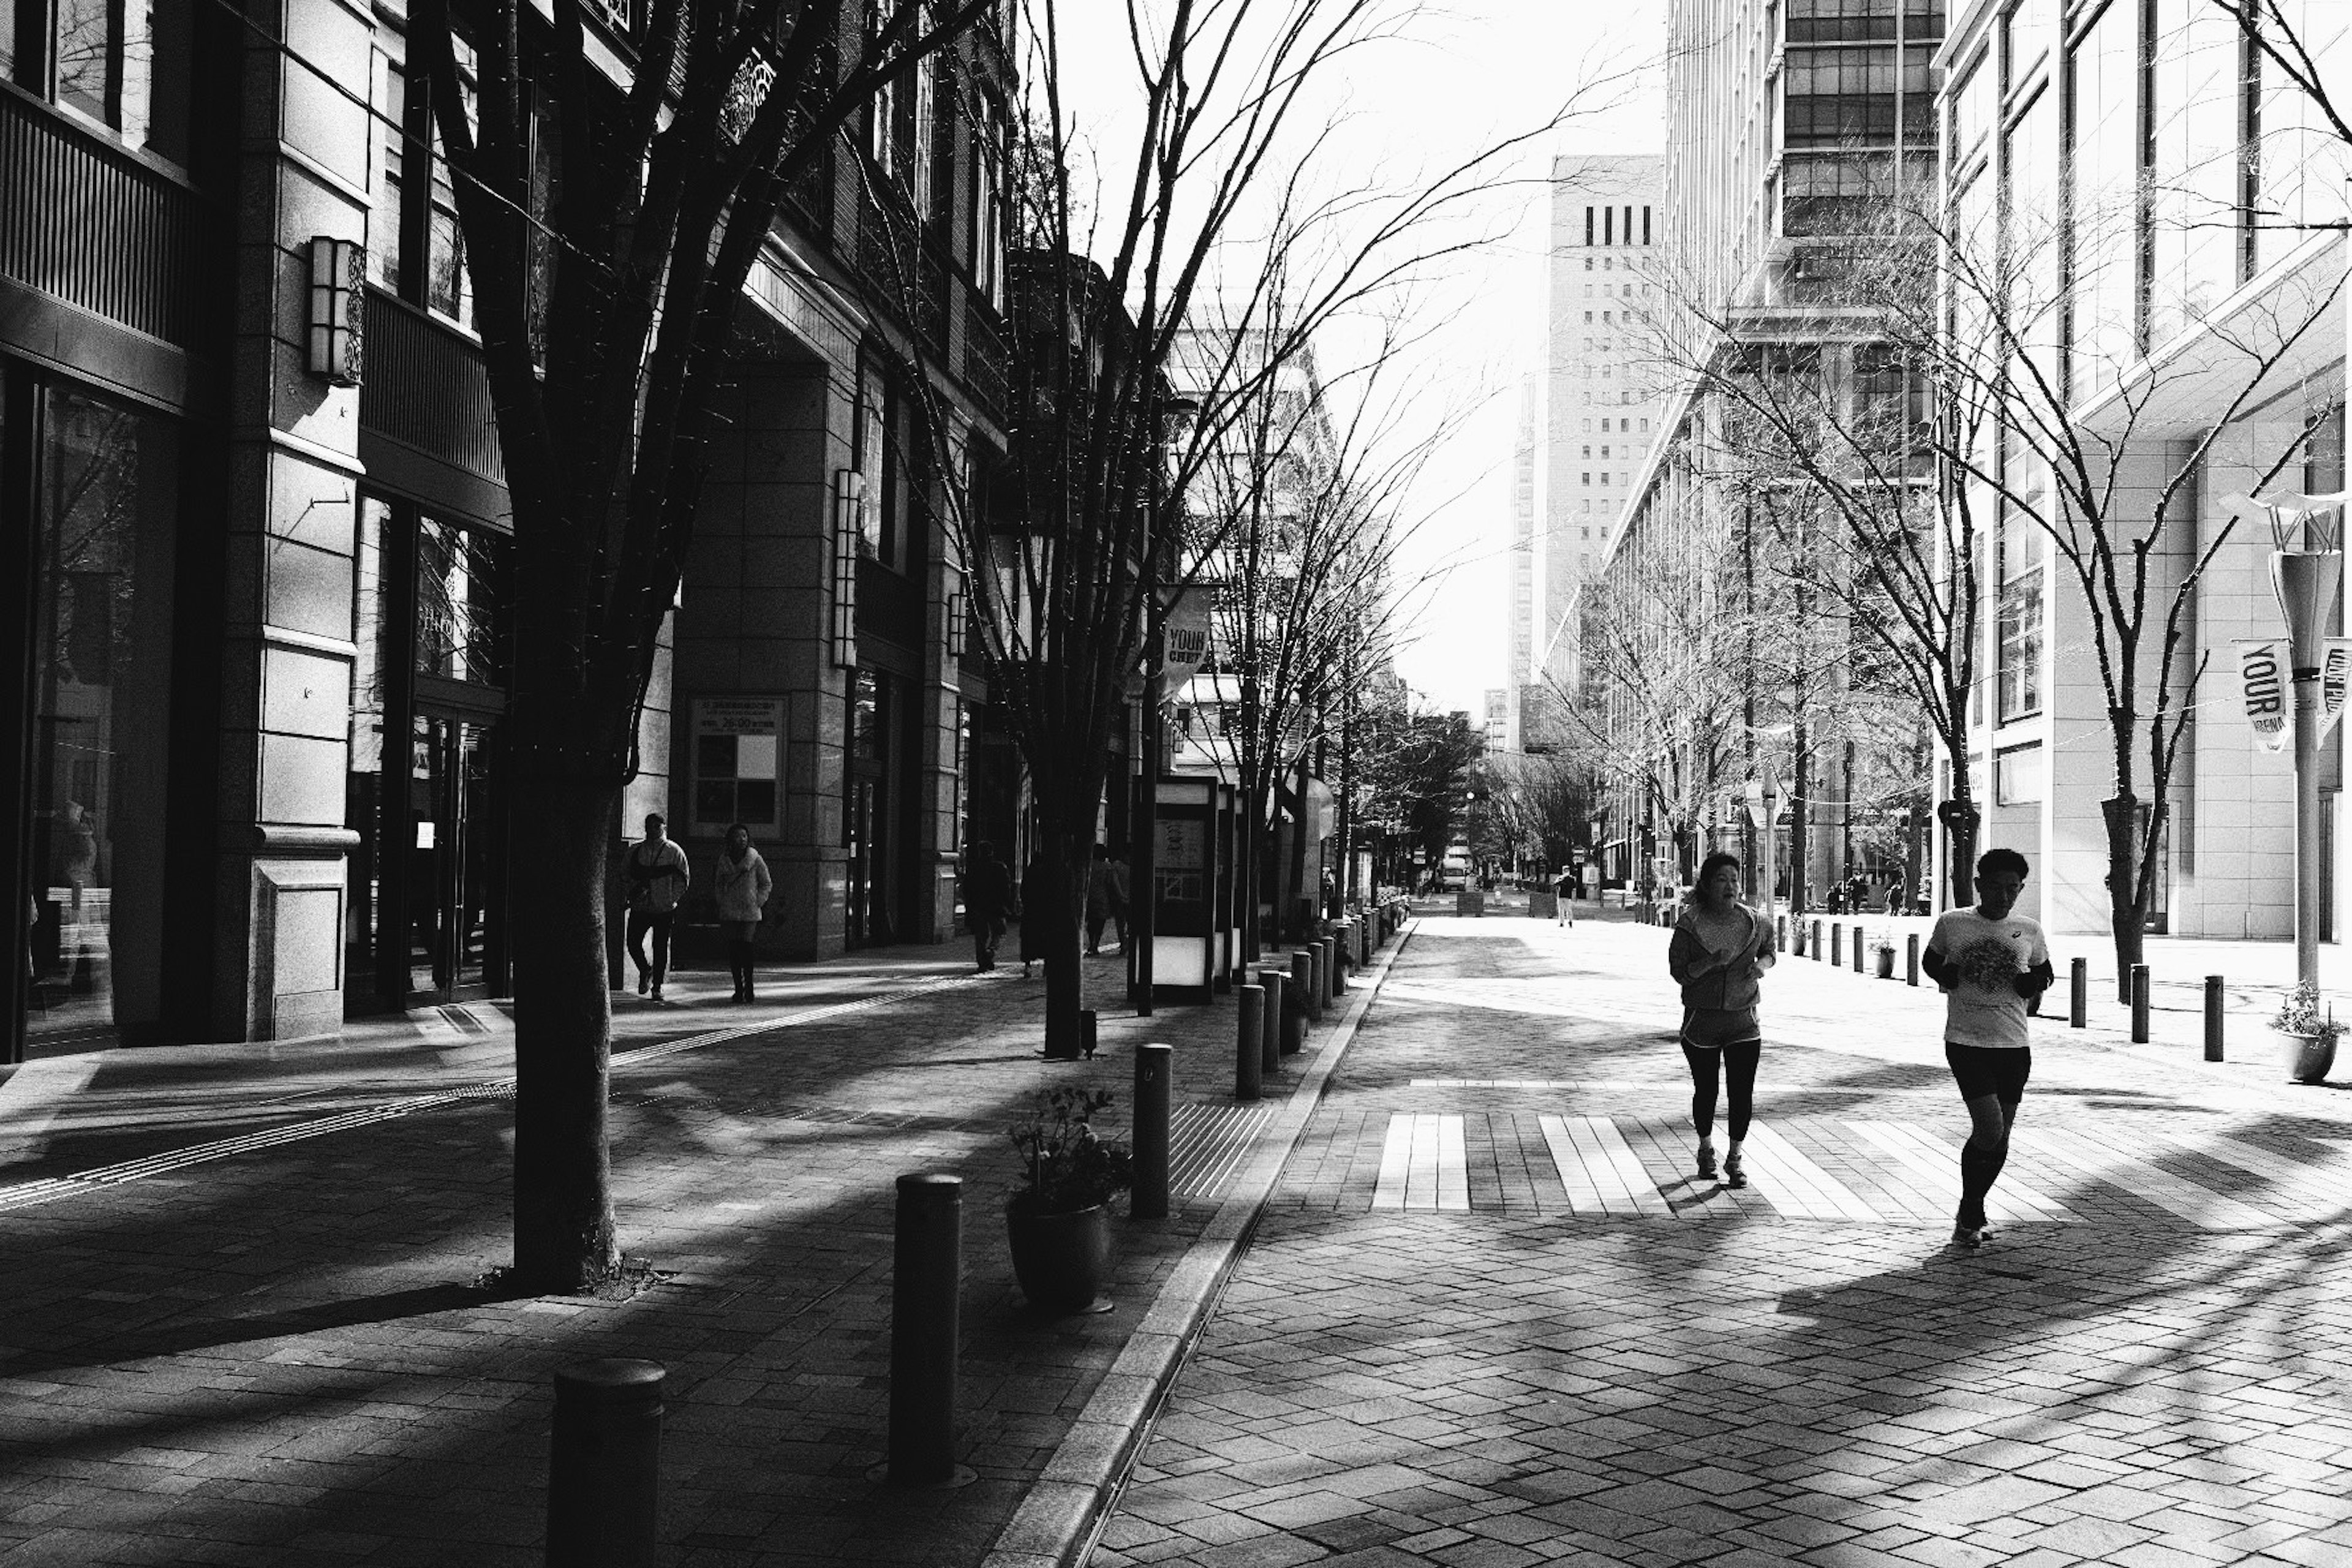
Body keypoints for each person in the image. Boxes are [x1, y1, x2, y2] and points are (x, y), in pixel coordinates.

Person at [1921, 846, 2054, 1249]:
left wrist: (2034, 983)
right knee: (1989, 1128)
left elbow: (2045, 971)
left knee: (2001, 1137)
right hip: (1966, 1040)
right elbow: (1930, 962)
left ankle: (1969, 1212)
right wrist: (1944, 973)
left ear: (2021, 889)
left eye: (2013, 888)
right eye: (1995, 887)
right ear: (1979, 886)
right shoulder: (1953, 923)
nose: (2004, 896)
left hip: (2013, 1043)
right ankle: (1973, 1208)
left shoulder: (2028, 929)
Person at [1666, 851, 1776, 1188]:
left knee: (1742, 1092)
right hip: (1702, 1022)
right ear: (1706, 885)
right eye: (1721, 880)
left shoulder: (1756, 921)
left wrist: (1762, 966)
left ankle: (1736, 1157)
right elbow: (1679, 973)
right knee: (1707, 1090)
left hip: (1744, 1019)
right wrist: (1710, 963)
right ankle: (1705, 1148)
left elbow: (1771, 951)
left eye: (1734, 879)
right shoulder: (1690, 924)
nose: (1730, 887)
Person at [624, 813, 690, 1002]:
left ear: (664, 827)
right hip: (641, 907)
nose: (652, 830)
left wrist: (671, 898)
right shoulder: (636, 851)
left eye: (656, 826)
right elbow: (625, 874)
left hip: (664, 908)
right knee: (633, 943)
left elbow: (683, 880)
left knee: (660, 947)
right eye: (649, 826)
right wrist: (634, 892)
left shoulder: (674, 852)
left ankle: (657, 985)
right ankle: (646, 969)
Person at [714, 823, 772, 1003]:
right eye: (738, 836)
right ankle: (738, 988)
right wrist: (722, 900)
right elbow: (718, 884)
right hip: (730, 908)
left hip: (749, 909)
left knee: (746, 947)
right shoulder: (724, 860)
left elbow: (766, 883)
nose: (741, 840)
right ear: (731, 839)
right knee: (733, 949)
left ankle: (750, 988)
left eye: (744, 836)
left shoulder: (755, 859)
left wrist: (758, 901)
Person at [963, 842, 1012, 971]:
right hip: (996, 907)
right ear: (992, 852)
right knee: (1000, 932)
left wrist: (969, 906)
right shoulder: (1000, 867)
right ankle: (991, 951)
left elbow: (967, 889)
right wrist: (1009, 905)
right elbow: (1006, 889)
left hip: (978, 907)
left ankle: (982, 962)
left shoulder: (974, 868)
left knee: (980, 936)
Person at [1085, 843, 1129, 956]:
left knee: (1091, 922)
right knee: (1100, 923)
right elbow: (1111, 883)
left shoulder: (1089, 865)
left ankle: (1092, 944)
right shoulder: (1108, 867)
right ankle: (1096, 944)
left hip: (1089, 897)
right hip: (1103, 898)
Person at [1019, 850, 1049, 978]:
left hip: (1030, 911)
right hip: (1044, 911)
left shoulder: (1029, 872)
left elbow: (1023, 891)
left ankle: (1028, 967)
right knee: (1045, 940)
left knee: (1028, 940)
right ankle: (1046, 968)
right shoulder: (1047, 873)